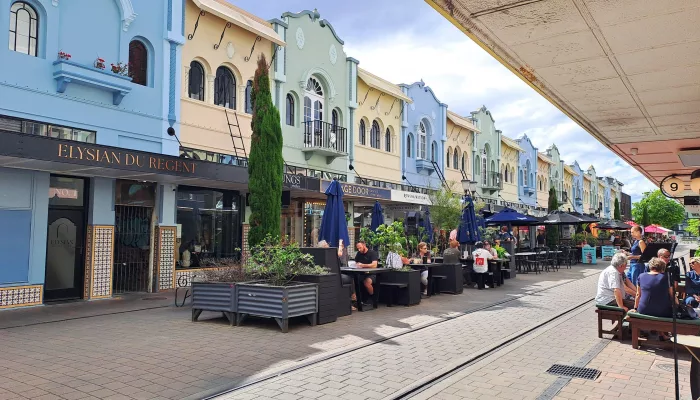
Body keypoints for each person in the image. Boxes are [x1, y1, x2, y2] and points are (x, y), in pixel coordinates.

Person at [354, 241, 378, 305]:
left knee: (367, 282)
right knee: (353, 281)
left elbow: (374, 265)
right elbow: (356, 262)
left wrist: (363, 265)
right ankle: (357, 299)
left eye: (360, 248)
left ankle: (372, 298)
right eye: (358, 248)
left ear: (364, 245)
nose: (359, 250)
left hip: (372, 273)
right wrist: (357, 265)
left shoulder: (372, 253)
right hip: (361, 273)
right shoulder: (359, 253)